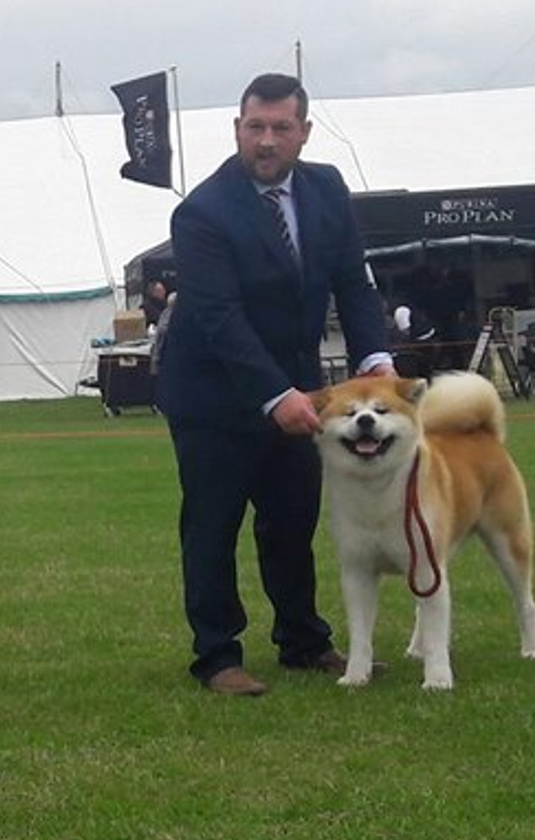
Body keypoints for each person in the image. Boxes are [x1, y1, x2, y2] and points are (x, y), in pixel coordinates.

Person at [157, 73, 395, 696]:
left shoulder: (327, 188)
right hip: (212, 396)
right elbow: (220, 317)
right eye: (254, 127)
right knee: (213, 526)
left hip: (298, 391)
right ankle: (217, 656)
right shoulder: (202, 212)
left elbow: (353, 282)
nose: (266, 140)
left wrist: (376, 358)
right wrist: (274, 394)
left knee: (292, 520)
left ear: (303, 132)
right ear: (237, 129)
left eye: (280, 128)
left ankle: (303, 642)